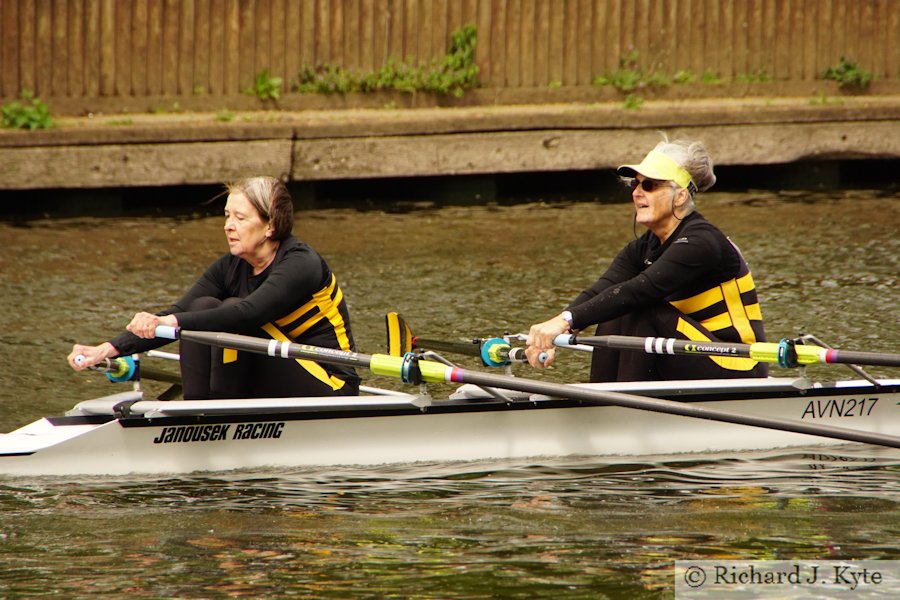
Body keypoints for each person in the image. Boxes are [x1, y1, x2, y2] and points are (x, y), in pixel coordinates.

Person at [67, 176, 360, 398]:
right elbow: (179, 313)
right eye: (227, 216)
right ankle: (198, 411)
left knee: (230, 311)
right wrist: (107, 349)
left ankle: (216, 414)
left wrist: (170, 321)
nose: (228, 226)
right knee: (201, 307)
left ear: (270, 225)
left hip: (330, 380)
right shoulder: (230, 266)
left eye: (240, 218)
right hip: (276, 370)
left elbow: (249, 313)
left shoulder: (301, 263)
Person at [525, 137, 768, 382]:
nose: (636, 193)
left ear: (680, 195)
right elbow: (600, 291)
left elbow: (640, 291)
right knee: (612, 306)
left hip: (737, 363)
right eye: (636, 184)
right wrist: (554, 330)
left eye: (649, 185)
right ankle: (602, 397)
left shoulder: (702, 242)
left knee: (638, 306)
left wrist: (565, 321)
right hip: (687, 355)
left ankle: (620, 407)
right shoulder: (643, 248)